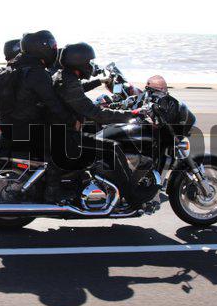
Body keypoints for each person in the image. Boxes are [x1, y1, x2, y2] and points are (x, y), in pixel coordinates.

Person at [45, 42, 144, 202]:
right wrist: (131, 114)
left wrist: (100, 81)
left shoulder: (65, 76)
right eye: (89, 61)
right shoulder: (68, 80)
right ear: (79, 62)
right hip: (65, 136)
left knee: (96, 133)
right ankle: (132, 195)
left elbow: (79, 90)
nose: (91, 65)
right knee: (112, 149)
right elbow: (94, 112)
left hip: (59, 131)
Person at [0, 30, 72, 163]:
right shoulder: (36, 72)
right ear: (40, 48)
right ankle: (53, 176)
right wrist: (71, 120)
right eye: (52, 45)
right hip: (23, 127)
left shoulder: (19, 65)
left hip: (9, 123)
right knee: (64, 142)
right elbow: (52, 102)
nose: (54, 48)